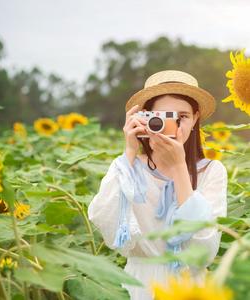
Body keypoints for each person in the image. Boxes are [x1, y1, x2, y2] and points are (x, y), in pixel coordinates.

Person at [87, 70, 228, 300]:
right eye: (162, 117)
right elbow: (106, 225)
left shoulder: (211, 171)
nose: (172, 125)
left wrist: (179, 167)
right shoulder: (127, 166)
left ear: (195, 119)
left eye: (181, 117)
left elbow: (203, 251)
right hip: (138, 284)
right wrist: (130, 151)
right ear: (146, 118)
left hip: (189, 289)